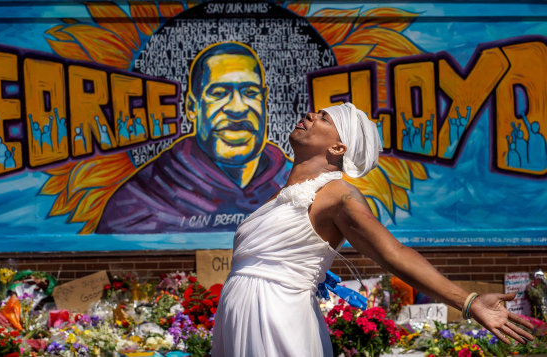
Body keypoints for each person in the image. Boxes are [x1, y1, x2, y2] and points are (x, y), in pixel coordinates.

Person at [211, 102, 534, 356]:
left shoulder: (339, 194)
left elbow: (392, 253)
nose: (310, 115)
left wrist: (469, 301)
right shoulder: (279, 195)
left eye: (324, 118)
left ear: (338, 148)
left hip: (276, 315)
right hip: (240, 315)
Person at [96, 42, 292, 233]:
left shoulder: (299, 182)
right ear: (191, 107)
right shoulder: (140, 201)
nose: (237, 108)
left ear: (264, 101)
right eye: (219, 93)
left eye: (250, 92)